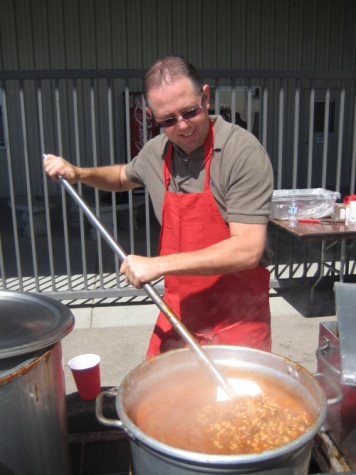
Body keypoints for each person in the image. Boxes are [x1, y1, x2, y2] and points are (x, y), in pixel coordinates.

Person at [44, 56, 274, 359]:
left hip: (236, 317)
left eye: (189, 112)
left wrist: (158, 265)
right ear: (152, 116)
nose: (182, 126)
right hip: (178, 309)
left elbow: (248, 248)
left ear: (205, 97)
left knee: (235, 403)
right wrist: (80, 173)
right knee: (157, 398)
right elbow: (122, 176)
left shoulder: (241, 153)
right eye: (167, 120)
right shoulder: (156, 151)